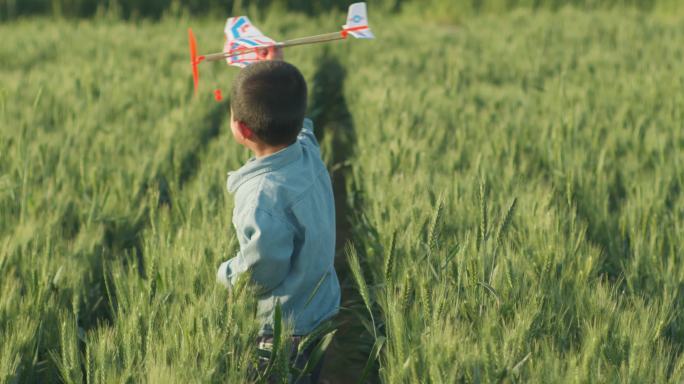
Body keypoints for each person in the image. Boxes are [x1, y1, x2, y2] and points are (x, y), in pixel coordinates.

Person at [217, 47, 340, 383]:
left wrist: (227, 274)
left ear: (241, 130)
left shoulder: (260, 196)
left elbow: (263, 268)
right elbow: (303, 128)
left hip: (284, 331)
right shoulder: (307, 151)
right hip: (320, 309)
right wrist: (278, 66)